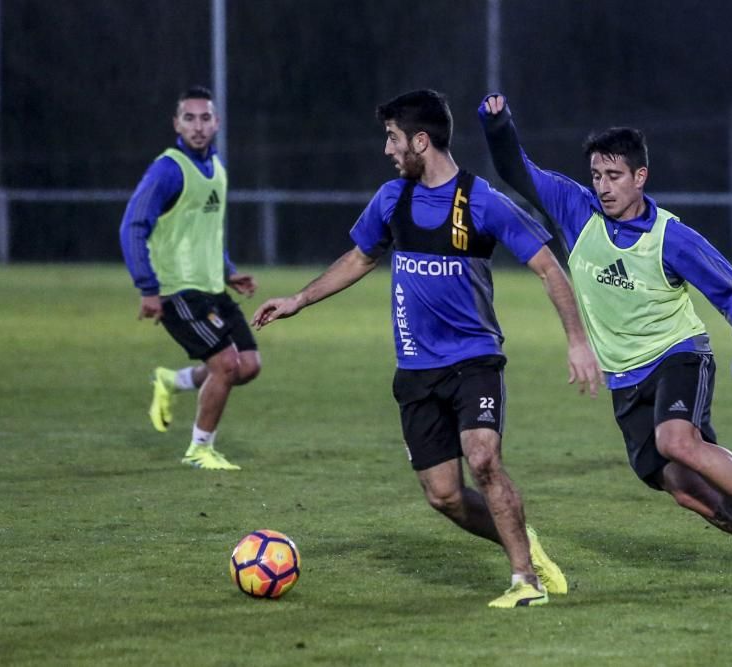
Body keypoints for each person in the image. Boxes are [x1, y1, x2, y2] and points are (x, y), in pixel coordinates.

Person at [251, 89, 601, 607]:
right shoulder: (393, 199)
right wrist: (299, 299)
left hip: (474, 359)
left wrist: (577, 341)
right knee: (445, 496)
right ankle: (522, 539)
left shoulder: (481, 200)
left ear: (421, 140)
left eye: (393, 138)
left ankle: (525, 582)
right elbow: (360, 258)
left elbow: (549, 267)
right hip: (416, 367)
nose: (388, 150)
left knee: (484, 459)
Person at [478, 94, 732, 583]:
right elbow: (515, 169)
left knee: (678, 441)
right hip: (625, 381)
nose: (603, 187)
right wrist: (497, 123)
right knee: (694, 496)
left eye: (615, 176)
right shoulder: (574, 208)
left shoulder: (671, 237)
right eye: (597, 176)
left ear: (640, 177)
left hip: (678, 355)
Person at [119, 86, 260, 471]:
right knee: (226, 366)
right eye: (189, 118)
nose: (197, 126)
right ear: (176, 123)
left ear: (216, 123)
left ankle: (172, 381)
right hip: (176, 290)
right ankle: (199, 449)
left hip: (212, 287)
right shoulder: (167, 169)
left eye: (204, 118)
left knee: (248, 365)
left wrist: (229, 271)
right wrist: (147, 289)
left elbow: (205, 232)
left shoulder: (217, 170)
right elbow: (132, 227)